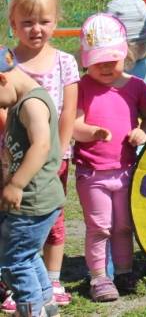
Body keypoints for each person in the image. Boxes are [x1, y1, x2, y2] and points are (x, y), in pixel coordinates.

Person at [73, 14, 146, 302]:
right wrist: (92, 132)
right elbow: (74, 125)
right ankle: (99, 277)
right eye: (98, 61)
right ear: (86, 60)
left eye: (112, 59)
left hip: (125, 170)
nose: (106, 66)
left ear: (125, 53)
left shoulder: (136, 87)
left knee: (124, 225)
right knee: (99, 227)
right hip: (93, 172)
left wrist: (142, 133)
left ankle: (124, 273)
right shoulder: (82, 87)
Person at [4, 0, 78, 311]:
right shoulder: (9, 61)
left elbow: (66, 116)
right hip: (15, 157)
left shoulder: (62, 64)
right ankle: (37, 295)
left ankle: (42, 290)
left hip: (46, 160)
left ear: (56, 21)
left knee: (37, 229)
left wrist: (59, 155)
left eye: (44, 21)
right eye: (27, 22)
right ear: (12, 24)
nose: (36, 29)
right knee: (19, 232)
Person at [0, 46, 65, 317]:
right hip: (37, 198)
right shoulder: (21, 101)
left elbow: (41, 145)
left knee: (14, 261)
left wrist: (16, 184)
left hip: (33, 200)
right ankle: (47, 305)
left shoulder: (32, 104)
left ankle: (30, 310)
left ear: (1, 79)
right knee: (27, 256)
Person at [106, 0, 146, 112]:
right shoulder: (111, 62)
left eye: (128, 47)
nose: (123, 54)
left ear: (145, 41)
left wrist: (139, 99)